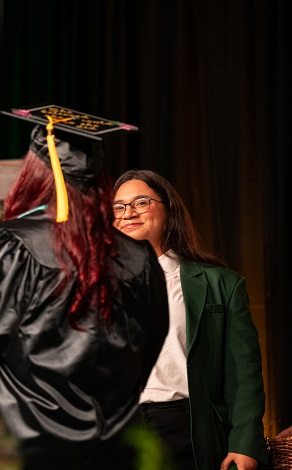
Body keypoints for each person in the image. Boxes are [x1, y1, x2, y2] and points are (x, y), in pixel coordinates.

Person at [0, 113, 170, 469]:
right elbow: (147, 353)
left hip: (17, 450)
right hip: (112, 450)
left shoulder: (5, 245)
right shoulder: (138, 258)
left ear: (35, 173)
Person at [112, 169, 268, 470]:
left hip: (186, 430)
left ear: (168, 209)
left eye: (140, 202)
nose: (128, 213)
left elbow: (243, 373)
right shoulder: (93, 288)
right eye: (118, 207)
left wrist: (245, 443)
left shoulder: (221, 284)